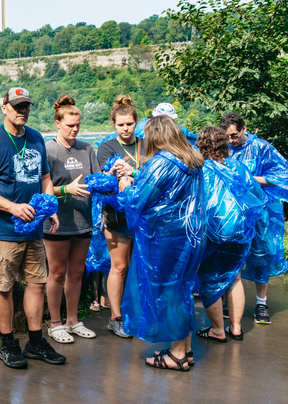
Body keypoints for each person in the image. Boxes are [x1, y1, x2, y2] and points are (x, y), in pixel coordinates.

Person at [0, 87, 65, 369]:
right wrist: (12, 207)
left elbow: (45, 177)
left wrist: (50, 206)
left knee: (36, 284)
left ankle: (35, 341)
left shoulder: (35, 138)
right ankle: (8, 343)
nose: (22, 111)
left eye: (26, 106)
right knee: (4, 288)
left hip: (33, 229)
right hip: (1, 230)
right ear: (4, 108)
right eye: (16, 106)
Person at [118, 115, 205, 371]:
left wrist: (125, 185)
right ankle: (184, 349)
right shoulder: (191, 159)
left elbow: (136, 201)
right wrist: (138, 175)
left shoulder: (162, 161)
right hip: (191, 235)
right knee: (182, 291)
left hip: (167, 238)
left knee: (168, 294)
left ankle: (177, 356)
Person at [195, 126, 265, 343]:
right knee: (235, 278)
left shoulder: (201, 170)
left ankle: (217, 330)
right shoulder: (237, 167)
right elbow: (256, 196)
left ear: (201, 145)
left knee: (209, 280)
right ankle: (235, 328)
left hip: (214, 233)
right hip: (240, 232)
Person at [220, 112, 288, 324]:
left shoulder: (262, 148)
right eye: (227, 137)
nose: (231, 140)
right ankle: (228, 300)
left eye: (234, 135)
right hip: (233, 212)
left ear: (244, 129)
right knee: (230, 255)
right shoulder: (224, 148)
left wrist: (250, 179)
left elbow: (281, 176)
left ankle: (261, 303)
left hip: (260, 213)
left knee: (260, 257)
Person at [42, 95, 99, 344]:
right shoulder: (47, 150)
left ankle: (73, 321)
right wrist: (66, 189)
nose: (75, 129)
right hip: (57, 222)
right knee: (56, 273)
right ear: (57, 123)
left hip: (83, 220)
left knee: (76, 272)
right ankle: (55, 323)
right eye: (70, 125)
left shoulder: (86, 148)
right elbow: (41, 188)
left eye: (78, 125)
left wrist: (112, 177)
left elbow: (96, 180)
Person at [90, 95, 145, 338]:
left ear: (136, 123)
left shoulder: (146, 144)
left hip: (143, 215)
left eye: (129, 124)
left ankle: (136, 313)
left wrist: (135, 172)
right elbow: (104, 180)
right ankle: (116, 316)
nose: (125, 128)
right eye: (120, 124)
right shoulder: (107, 147)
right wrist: (113, 172)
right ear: (114, 124)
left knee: (140, 267)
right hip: (117, 215)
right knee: (120, 267)